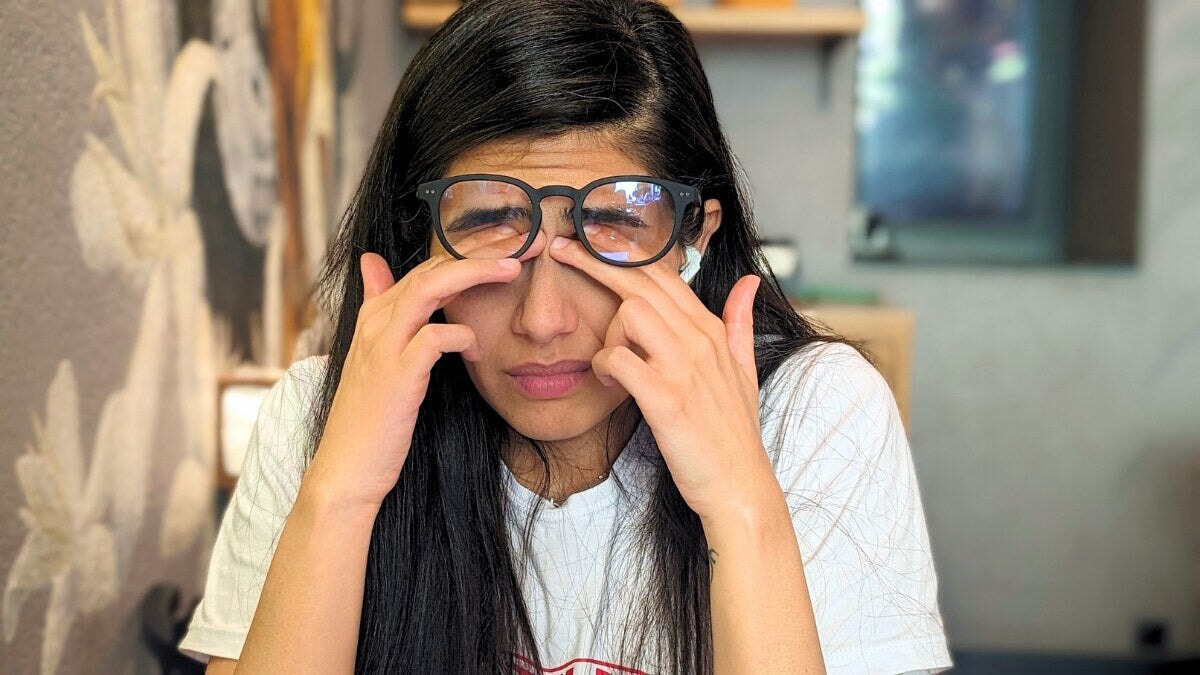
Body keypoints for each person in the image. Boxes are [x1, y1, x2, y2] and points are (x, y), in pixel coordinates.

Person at [179, 0, 952, 672]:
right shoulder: (324, 414)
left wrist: (741, 502)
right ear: (421, 241)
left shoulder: (817, 414)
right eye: (486, 224)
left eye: (612, 226)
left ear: (693, 240)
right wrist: (342, 495)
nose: (543, 319)